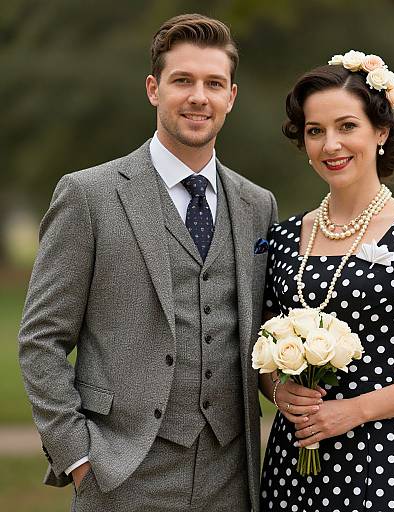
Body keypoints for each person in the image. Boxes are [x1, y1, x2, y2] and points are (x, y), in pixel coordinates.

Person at [18, 13, 276, 512]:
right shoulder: (88, 196)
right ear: (154, 89)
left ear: (231, 97)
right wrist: (78, 457)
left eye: (213, 83)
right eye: (183, 80)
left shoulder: (257, 205)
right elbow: (41, 339)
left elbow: (261, 328)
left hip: (232, 476)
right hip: (119, 474)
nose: (198, 96)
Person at [259, 50, 394, 511]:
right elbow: (261, 356)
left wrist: (352, 411)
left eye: (346, 126)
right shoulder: (280, 239)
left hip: (383, 461)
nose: (330, 144)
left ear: (380, 131)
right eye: (315, 131)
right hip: (293, 463)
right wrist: (279, 391)